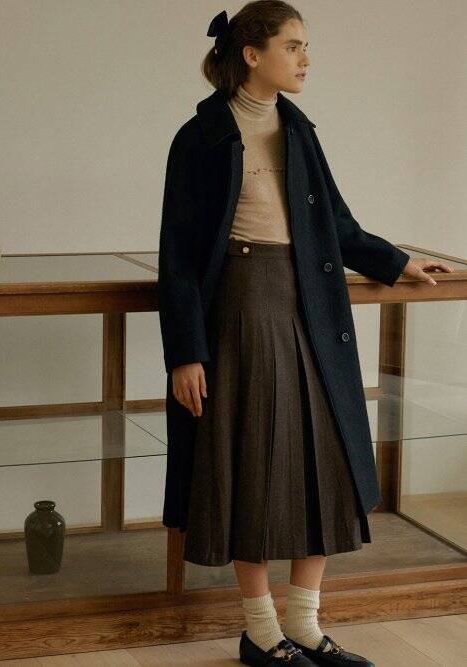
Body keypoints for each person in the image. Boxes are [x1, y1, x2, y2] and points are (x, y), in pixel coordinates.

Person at [157, 2, 453, 666]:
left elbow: (336, 226)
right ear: (252, 54)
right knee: (253, 463)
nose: (305, 59)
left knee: (327, 457)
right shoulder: (200, 137)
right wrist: (186, 353)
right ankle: (262, 631)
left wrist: (397, 262)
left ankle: (306, 625)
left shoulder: (299, 131)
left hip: (313, 308)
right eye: (293, 46)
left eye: (305, 46)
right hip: (241, 309)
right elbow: (177, 255)